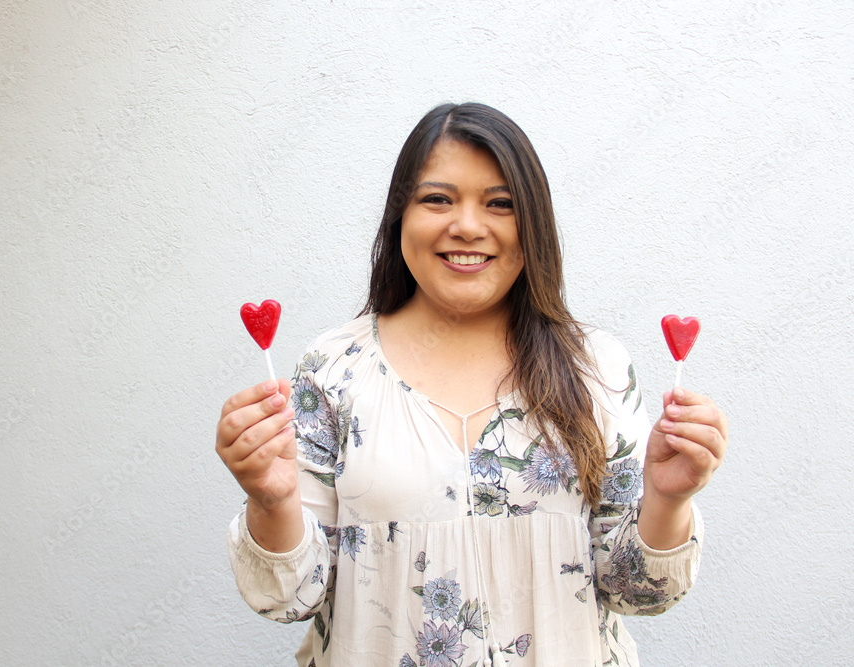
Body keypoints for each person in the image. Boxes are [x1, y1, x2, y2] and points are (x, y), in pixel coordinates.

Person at [215, 102, 728, 667]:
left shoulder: (595, 369)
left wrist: (669, 498)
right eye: (437, 198)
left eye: (500, 204)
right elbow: (290, 597)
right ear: (399, 217)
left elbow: (636, 591)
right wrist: (272, 500)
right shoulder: (333, 369)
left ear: (533, 224)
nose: (466, 225)